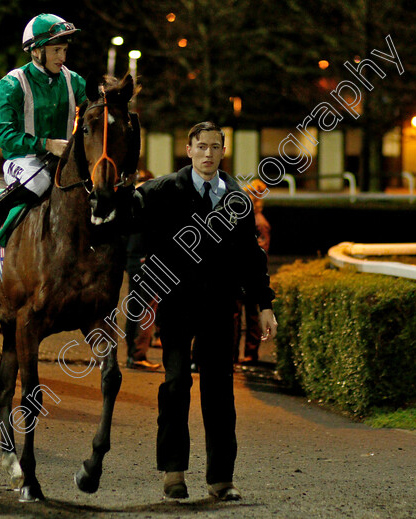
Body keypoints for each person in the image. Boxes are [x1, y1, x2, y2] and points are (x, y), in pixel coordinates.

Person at [130, 122, 277, 501]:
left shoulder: (237, 199)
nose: (209, 153)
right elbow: (135, 244)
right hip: (176, 307)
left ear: (223, 152)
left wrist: (264, 305)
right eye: (202, 146)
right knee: (176, 384)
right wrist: (144, 290)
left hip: (219, 307)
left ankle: (221, 479)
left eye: (215, 147)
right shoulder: (160, 192)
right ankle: (174, 471)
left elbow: (252, 256)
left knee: (220, 392)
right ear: (189, 149)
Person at [0, 13, 86, 238]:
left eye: (64, 50)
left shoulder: (74, 81)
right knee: (38, 181)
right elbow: (3, 135)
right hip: (24, 160)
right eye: (56, 50)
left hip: (64, 160)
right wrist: (46, 144)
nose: (62, 57)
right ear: (36, 51)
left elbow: (91, 115)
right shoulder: (12, 84)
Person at [124, 170, 161, 371]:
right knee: (147, 309)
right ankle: (138, 355)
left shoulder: (127, 204)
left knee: (134, 308)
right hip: (148, 262)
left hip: (132, 261)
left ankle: (132, 352)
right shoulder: (148, 205)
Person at [234, 179, 271, 365]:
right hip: (243, 273)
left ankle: (250, 353)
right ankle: (240, 353)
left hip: (249, 275)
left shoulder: (259, 223)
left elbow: (260, 253)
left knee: (250, 315)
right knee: (241, 315)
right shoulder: (250, 220)